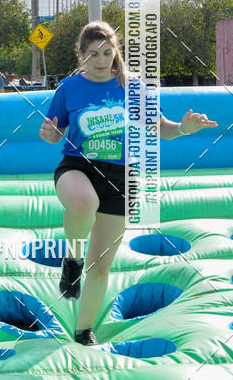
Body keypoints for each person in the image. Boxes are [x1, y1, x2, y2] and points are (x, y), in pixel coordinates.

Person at [39, 20, 218, 346]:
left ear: (115, 52)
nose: (101, 60)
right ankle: (72, 259)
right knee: (83, 202)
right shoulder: (69, 88)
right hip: (78, 167)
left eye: (107, 53)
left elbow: (161, 127)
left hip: (123, 177)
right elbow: (57, 131)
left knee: (101, 264)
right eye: (92, 54)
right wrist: (52, 135)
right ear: (81, 55)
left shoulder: (132, 88)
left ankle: (84, 331)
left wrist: (184, 129)